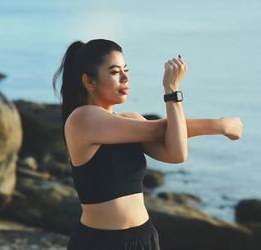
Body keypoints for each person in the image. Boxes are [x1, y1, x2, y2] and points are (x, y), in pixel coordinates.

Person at [52, 39, 243, 250]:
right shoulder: (83, 119)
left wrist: (174, 93)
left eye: (126, 70)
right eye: (115, 72)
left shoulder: (131, 119)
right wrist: (218, 123)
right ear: (89, 82)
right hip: (101, 242)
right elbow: (160, 130)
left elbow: (176, 152)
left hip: (144, 238)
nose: (125, 78)